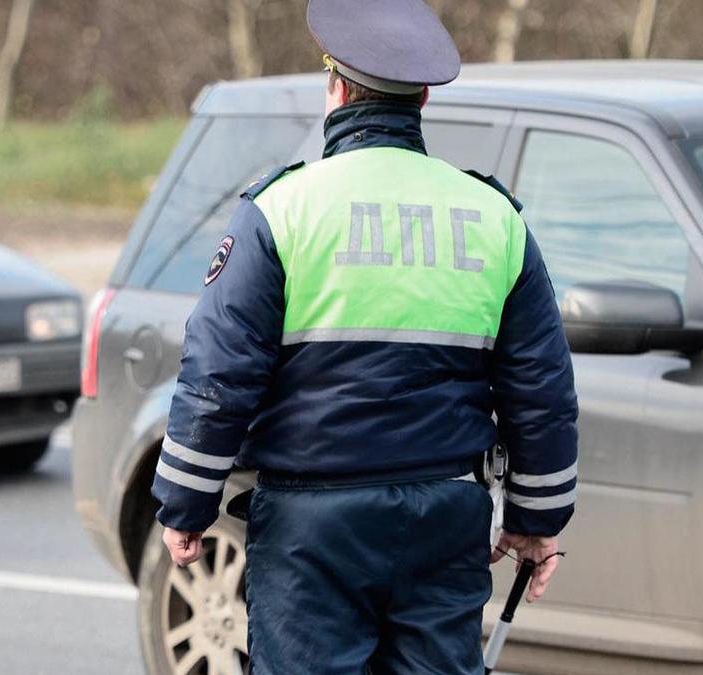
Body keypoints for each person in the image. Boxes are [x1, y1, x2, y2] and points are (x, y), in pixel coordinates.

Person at [151, 1, 579, 672]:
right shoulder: (493, 218)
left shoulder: (281, 210)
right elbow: (542, 387)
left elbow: (218, 375)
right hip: (445, 515)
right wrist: (538, 517)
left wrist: (185, 504)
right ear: (425, 97)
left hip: (312, 528)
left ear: (337, 90)